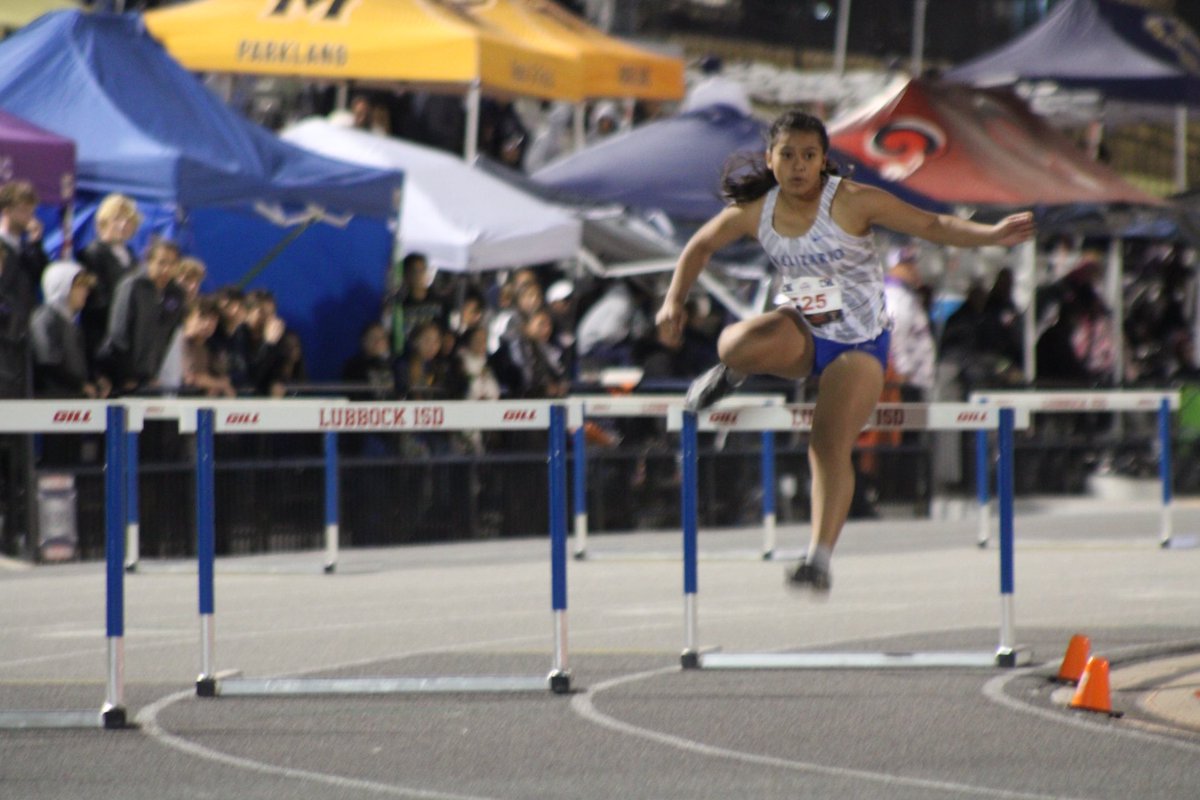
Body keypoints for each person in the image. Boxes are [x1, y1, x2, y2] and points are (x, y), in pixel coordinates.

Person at [655, 110, 1035, 594]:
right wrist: (673, 302)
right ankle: (732, 373)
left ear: (823, 161)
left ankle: (818, 558)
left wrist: (990, 234)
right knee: (732, 342)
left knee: (826, 443)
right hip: (802, 329)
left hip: (858, 342)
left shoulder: (853, 202)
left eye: (808, 156)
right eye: (788, 155)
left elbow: (931, 223)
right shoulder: (757, 211)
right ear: (771, 160)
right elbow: (698, 246)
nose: (798, 166)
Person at [76, 193, 141, 365]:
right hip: (102, 336)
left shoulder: (131, 256)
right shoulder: (92, 253)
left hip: (128, 337)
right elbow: (96, 299)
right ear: (104, 222)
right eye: (117, 219)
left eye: (128, 220)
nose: (123, 225)